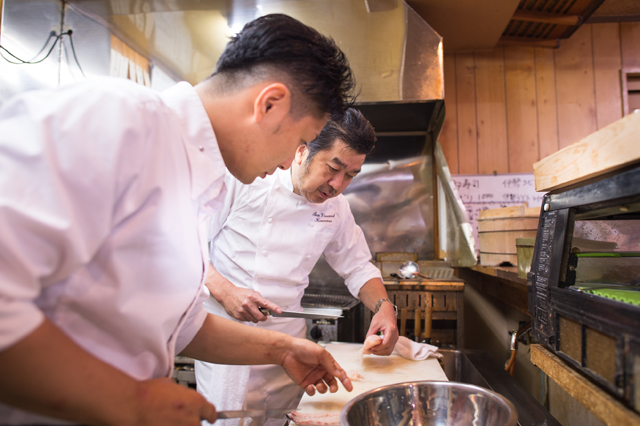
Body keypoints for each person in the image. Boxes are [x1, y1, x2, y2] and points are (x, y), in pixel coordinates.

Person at [0, 14, 357, 426]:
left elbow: (179, 325)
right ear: (269, 104)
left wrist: (279, 349)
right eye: (298, 142)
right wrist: (132, 400)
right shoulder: (117, 120)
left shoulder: (198, 178)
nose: (286, 163)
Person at [196, 108, 400, 426]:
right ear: (302, 151)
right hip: (229, 343)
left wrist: (384, 307)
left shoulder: (336, 207)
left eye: (350, 175)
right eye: (333, 168)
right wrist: (226, 292)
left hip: (290, 348)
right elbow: (187, 251)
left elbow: (358, 265)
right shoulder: (246, 179)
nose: (337, 184)